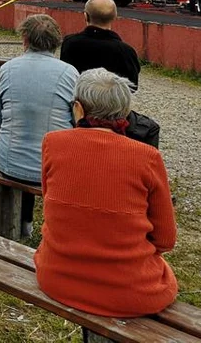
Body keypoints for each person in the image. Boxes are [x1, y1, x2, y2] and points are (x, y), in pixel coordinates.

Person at [35, 69, 177, 318]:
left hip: (57, 278)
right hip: (132, 293)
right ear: (124, 112)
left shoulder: (52, 143)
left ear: (78, 108)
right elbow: (165, 239)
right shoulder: (147, 157)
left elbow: (50, 206)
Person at [0, 14, 78, 237]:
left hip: (9, 161)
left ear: (25, 39)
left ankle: (23, 224)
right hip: (53, 166)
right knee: (45, 146)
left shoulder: (8, 69)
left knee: (31, 143)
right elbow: (76, 121)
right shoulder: (69, 73)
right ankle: (52, 226)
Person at [60, 0, 141, 90]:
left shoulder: (69, 43)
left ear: (85, 16)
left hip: (78, 99)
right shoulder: (126, 51)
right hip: (112, 103)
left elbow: (65, 77)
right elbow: (132, 86)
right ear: (114, 17)